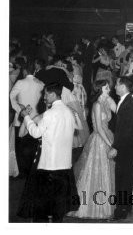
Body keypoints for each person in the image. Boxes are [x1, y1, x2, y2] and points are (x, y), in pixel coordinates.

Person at [20, 83, 82, 222]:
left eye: (46, 94)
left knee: (42, 207)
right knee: (58, 207)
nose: (44, 97)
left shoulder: (49, 113)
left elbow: (36, 133)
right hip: (65, 165)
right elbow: (79, 127)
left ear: (54, 95)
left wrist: (26, 117)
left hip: (49, 166)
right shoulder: (69, 111)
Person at [68, 80, 117, 219]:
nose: (109, 89)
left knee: (107, 172)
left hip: (108, 136)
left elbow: (118, 109)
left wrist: (107, 96)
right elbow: (99, 128)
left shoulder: (106, 101)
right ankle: (91, 205)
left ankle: (106, 204)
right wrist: (110, 144)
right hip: (99, 140)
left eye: (108, 87)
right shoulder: (96, 105)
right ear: (100, 89)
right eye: (106, 88)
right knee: (94, 172)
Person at [108, 76, 133, 220]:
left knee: (123, 179)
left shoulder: (128, 103)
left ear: (123, 87)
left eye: (117, 85)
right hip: (128, 146)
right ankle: (125, 207)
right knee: (125, 178)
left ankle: (121, 211)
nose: (114, 87)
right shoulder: (125, 101)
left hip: (125, 147)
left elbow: (125, 130)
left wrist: (116, 147)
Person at [10, 60, 45, 178]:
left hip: (21, 119)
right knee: (33, 144)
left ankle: (23, 172)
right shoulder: (40, 83)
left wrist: (19, 110)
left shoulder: (21, 82)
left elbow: (11, 97)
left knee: (20, 146)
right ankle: (32, 169)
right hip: (36, 118)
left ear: (25, 71)